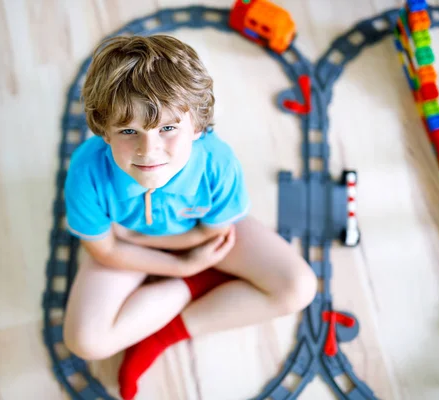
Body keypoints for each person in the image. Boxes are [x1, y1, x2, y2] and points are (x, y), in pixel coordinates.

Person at [62, 34, 317, 400]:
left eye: (167, 128)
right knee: (84, 341)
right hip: (131, 248)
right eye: (128, 131)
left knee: (299, 287)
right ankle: (194, 285)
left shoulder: (217, 163)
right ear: (104, 132)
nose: (148, 151)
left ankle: (165, 332)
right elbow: (104, 251)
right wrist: (182, 268)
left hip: (197, 236)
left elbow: (214, 231)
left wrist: (142, 241)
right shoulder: (87, 172)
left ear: (197, 126)